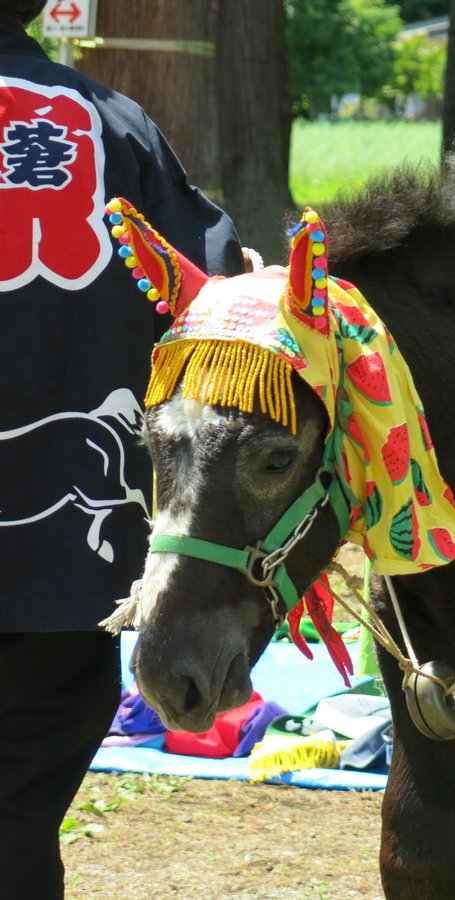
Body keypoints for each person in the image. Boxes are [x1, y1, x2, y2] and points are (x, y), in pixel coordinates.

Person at [0, 4, 243, 896]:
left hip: (70, 533)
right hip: (68, 553)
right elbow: (211, 300)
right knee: (17, 805)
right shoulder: (113, 129)